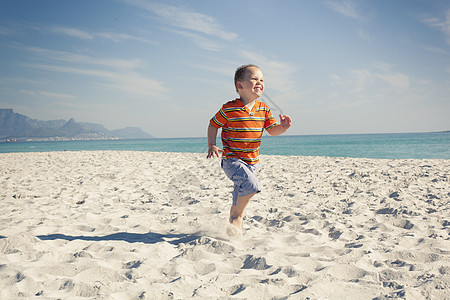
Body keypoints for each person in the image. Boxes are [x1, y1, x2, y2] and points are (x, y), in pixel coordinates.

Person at [207, 64, 292, 235]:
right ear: (240, 85)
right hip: (232, 160)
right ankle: (239, 216)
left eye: (262, 79)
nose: (259, 82)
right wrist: (212, 144)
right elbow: (213, 124)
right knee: (251, 186)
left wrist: (282, 128)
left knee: (239, 193)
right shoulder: (229, 108)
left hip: (252, 162)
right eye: (254, 79)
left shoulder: (264, 109)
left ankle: (232, 225)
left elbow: (272, 130)